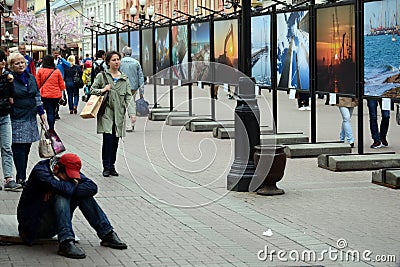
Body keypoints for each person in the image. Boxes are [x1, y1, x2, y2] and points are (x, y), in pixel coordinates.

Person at [17, 153, 128, 259]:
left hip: (52, 223)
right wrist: (70, 186)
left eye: (73, 177)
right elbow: (67, 189)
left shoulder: (66, 167)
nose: (71, 180)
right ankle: (65, 242)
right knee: (63, 195)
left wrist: (60, 188)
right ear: (56, 168)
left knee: (84, 195)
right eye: (68, 176)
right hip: (33, 226)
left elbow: (92, 187)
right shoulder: (41, 172)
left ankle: (106, 233)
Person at [90, 51, 135, 177]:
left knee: (115, 140)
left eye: (118, 59)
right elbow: (92, 90)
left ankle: (112, 166)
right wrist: (103, 89)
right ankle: (106, 166)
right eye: (114, 60)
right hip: (106, 113)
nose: (116, 62)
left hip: (119, 114)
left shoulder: (124, 78)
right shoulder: (102, 76)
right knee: (108, 139)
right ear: (108, 62)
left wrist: (132, 113)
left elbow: (128, 97)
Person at [8, 53, 46, 187]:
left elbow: (36, 94)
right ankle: (21, 177)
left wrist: (41, 112)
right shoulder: (10, 79)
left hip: (30, 116)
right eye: (17, 63)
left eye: (22, 62)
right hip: (17, 117)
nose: (20, 65)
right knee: (18, 148)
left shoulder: (30, 77)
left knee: (27, 147)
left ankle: (22, 175)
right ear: (12, 66)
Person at [0, 51, 21, 191]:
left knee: (7, 147)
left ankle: (9, 178)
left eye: (3, 60)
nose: (2, 62)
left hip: (4, 116)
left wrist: (10, 82)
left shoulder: (7, 77)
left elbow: (12, 96)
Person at [36, 55, 65, 131]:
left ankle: (50, 127)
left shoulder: (40, 71)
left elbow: (37, 84)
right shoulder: (57, 71)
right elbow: (61, 85)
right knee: (52, 110)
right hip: (56, 95)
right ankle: (52, 127)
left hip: (45, 94)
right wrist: (62, 95)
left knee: (49, 111)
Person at [119, 46, 144, 132]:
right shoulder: (136, 63)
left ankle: (126, 125)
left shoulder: (119, 62)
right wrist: (142, 91)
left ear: (123, 53)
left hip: (121, 87)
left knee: (123, 106)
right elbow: (140, 77)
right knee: (131, 104)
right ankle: (131, 123)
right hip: (133, 87)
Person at [52, 49, 70, 120]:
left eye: (57, 53)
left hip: (60, 81)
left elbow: (68, 65)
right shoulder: (51, 61)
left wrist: (62, 59)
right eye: (55, 53)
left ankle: (56, 112)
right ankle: (53, 111)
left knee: (59, 97)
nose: (56, 55)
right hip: (52, 81)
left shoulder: (61, 61)